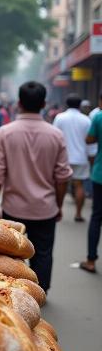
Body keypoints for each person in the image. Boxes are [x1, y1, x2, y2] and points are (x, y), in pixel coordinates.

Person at [0, 81, 72, 293]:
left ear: (18, 103)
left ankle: (14, 293)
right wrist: (59, 205)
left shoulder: (5, 133)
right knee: (43, 253)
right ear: (44, 103)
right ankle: (40, 293)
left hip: (13, 208)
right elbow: (62, 177)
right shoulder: (55, 135)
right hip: (45, 208)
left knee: (12, 255)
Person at [53, 94, 92, 222]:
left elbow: (54, 137)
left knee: (60, 183)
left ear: (67, 104)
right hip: (81, 157)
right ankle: (78, 214)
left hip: (63, 157)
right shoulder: (86, 120)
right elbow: (90, 141)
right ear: (80, 105)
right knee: (79, 185)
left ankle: (58, 210)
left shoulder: (60, 117)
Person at [80, 111, 102, 273]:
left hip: (100, 175)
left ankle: (91, 260)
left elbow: (89, 139)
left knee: (97, 216)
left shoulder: (99, 117)